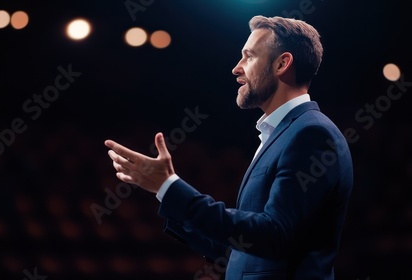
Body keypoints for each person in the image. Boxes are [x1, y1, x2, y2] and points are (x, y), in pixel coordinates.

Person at [104, 15, 353, 280]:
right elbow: (247, 249)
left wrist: (170, 187)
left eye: (249, 56)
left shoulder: (311, 134)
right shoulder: (287, 133)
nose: (236, 68)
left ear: (282, 63)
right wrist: (163, 191)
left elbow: (275, 236)